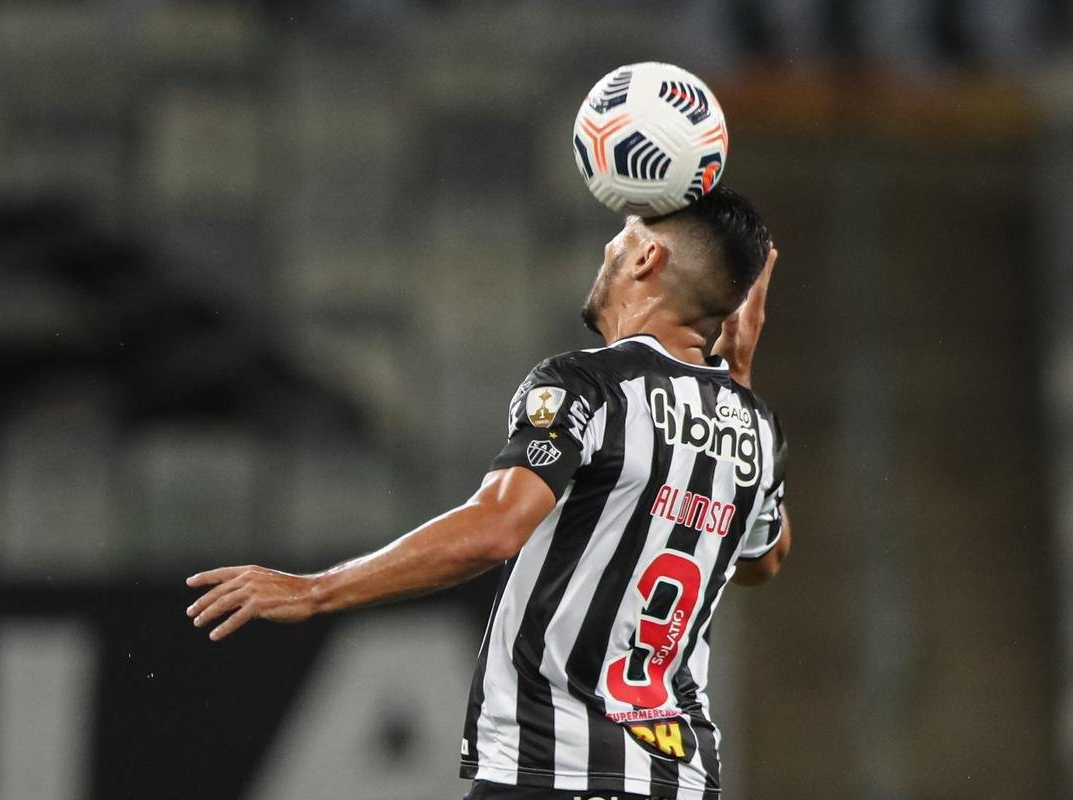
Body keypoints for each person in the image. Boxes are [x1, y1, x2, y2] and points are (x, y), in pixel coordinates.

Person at [186, 185, 790, 800]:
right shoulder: (758, 428)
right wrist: (738, 383)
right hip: (680, 779)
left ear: (646, 260)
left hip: (557, 772)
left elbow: (496, 528)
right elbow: (761, 560)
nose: (609, 247)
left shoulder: (587, 384)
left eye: (625, 234)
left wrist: (314, 590)